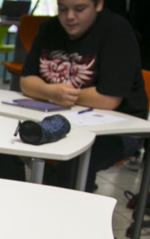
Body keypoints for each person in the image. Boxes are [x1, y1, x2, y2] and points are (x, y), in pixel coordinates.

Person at [18, 0, 148, 191]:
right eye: (62, 9)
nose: (70, 16)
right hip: (60, 117)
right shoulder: (49, 28)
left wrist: (56, 94)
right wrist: (52, 92)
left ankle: (69, 214)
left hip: (120, 129)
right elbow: (26, 82)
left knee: (73, 156)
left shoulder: (117, 31)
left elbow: (107, 99)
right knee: (8, 144)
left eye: (80, 9)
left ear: (98, 5)